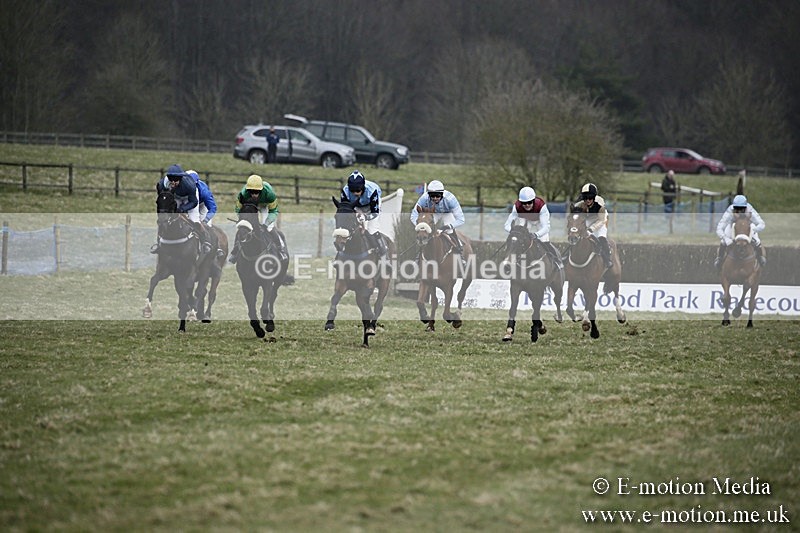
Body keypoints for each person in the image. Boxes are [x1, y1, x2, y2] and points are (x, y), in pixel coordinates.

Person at [151, 164, 211, 255]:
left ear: (181, 178)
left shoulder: (189, 185)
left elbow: (194, 202)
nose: (173, 183)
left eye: (176, 180)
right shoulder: (162, 185)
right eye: (171, 180)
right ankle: (159, 243)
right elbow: (162, 199)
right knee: (164, 220)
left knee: (194, 220)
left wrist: (183, 209)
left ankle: (205, 241)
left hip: (189, 198)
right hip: (175, 197)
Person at [229, 174, 288, 264]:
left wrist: (266, 223)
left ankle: (280, 250)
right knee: (243, 228)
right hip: (250, 206)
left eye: (256, 192)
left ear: (261, 190)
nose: (254, 194)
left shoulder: (269, 194)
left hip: (265, 206)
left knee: (269, 228)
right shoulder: (243, 194)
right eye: (251, 192)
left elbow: (273, 211)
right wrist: (243, 219)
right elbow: (238, 209)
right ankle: (235, 251)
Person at [504, 186, 563, 269]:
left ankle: (556, 260)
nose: (527, 205)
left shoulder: (541, 206)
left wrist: (536, 235)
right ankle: (513, 260)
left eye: (529, 202)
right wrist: (513, 232)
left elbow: (545, 228)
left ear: (534, 201)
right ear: (521, 202)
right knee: (519, 238)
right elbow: (506, 225)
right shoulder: (516, 207)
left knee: (544, 240)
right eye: (524, 203)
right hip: (526, 219)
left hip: (540, 221)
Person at [410, 179, 466, 258]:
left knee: (449, 231)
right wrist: (420, 226)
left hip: (447, 213)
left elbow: (461, 219)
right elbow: (413, 215)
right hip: (434, 213)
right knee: (425, 230)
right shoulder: (424, 198)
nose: (435, 198)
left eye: (438, 196)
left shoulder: (450, 199)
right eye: (432, 196)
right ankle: (418, 256)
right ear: (428, 195)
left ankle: (459, 250)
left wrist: (446, 227)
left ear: (442, 194)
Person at [339, 170, 387, 259]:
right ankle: (341, 255)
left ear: (363, 187)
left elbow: (375, 213)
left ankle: (384, 257)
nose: (355, 193)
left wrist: (365, 216)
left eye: (357, 190)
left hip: (371, 207)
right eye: (352, 191)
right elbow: (345, 210)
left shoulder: (372, 191)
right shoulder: (345, 192)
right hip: (356, 206)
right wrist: (356, 214)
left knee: (372, 229)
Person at [714, 194, 766, 269]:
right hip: (733, 226)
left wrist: (753, 230)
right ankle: (720, 258)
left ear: (745, 207)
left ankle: (760, 258)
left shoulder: (750, 209)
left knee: (757, 241)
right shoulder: (730, 211)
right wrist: (725, 238)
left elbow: (761, 224)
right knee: (723, 242)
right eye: (737, 208)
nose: (739, 211)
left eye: (742, 209)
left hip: (747, 226)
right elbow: (719, 228)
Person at [573, 183, 612, 268]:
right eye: (585, 197)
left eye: (590, 197)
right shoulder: (579, 205)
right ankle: (566, 255)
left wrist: (591, 229)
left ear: (594, 197)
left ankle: (607, 258)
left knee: (601, 237)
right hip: (589, 219)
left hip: (601, 219)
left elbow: (601, 220)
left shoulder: (600, 206)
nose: (588, 200)